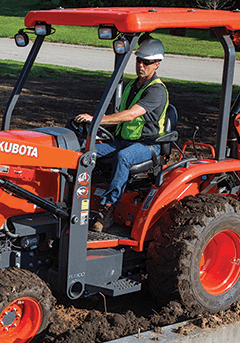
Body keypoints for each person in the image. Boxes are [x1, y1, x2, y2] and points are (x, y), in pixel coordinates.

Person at [73, 37, 170, 232]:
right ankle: (73, 197)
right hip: (123, 140)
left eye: (147, 62)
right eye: (138, 60)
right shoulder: (132, 86)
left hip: (148, 145)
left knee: (123, 158)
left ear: (157, 64)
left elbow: (131, 114)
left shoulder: (157, 91)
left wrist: (96, 119)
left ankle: (107, 209)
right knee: (84, 150)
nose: (141, 65)